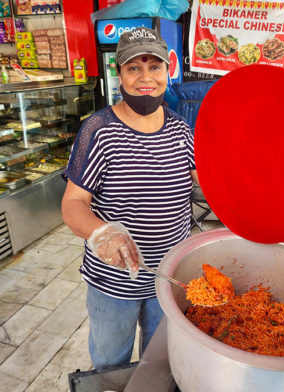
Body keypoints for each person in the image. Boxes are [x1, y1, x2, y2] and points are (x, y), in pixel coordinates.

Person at [61, 27, 197, 369]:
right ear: (119, 74)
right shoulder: (98, 130)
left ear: (170, 69)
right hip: (112, 284)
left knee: (159, 364)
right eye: (134, 68)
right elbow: (73, 204)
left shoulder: (181, 130)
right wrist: (101, 233)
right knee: (111, 367)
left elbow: (209, 185)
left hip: (167, 279)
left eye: (155, 67)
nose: (145, 78)